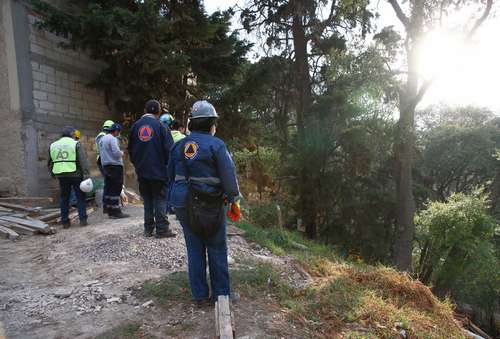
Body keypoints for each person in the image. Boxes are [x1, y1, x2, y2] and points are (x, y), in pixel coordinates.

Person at [168, 100, 240, 304]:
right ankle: (221, 295)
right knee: (216, 247)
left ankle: (199, 296)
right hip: (210, 205)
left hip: (183, 204)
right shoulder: (217, 145)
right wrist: (233, 198)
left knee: (194, 248)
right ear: (211, 124)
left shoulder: (178, 146)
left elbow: (170, 176)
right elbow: (229, 179)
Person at [128, 99, 176, 238]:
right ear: (159, 112)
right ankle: (162, 229)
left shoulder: (135, 127)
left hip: (142, 170)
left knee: (147, 199)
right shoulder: (161, 126)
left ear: (145, 110)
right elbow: (170, 151)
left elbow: (130, 149)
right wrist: (168, 167)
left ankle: (148, 229)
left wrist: (137, 163)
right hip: (158, 170)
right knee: (160, 198)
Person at [48, 126, 90, 228]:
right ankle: (83, 220)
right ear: (72, 134)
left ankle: (65, 222)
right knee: (80, 196)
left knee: (64, 197)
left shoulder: (53, 145)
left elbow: (50, 161)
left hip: (61, 174)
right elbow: (83, 160)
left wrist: (52, 173)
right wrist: (86, 174)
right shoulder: (75, 143)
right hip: (75, 173)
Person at [99, 123, 129, 219]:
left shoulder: (102, 139)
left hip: (106, 166)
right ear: (116, 131)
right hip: (115, 166)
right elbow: (116, 152)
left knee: (109, 188)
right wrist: (122, 153)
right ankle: (116, 211)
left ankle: (109, 210)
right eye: (119, 132)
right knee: (116, 188)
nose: (119, 134)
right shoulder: (112, 139)